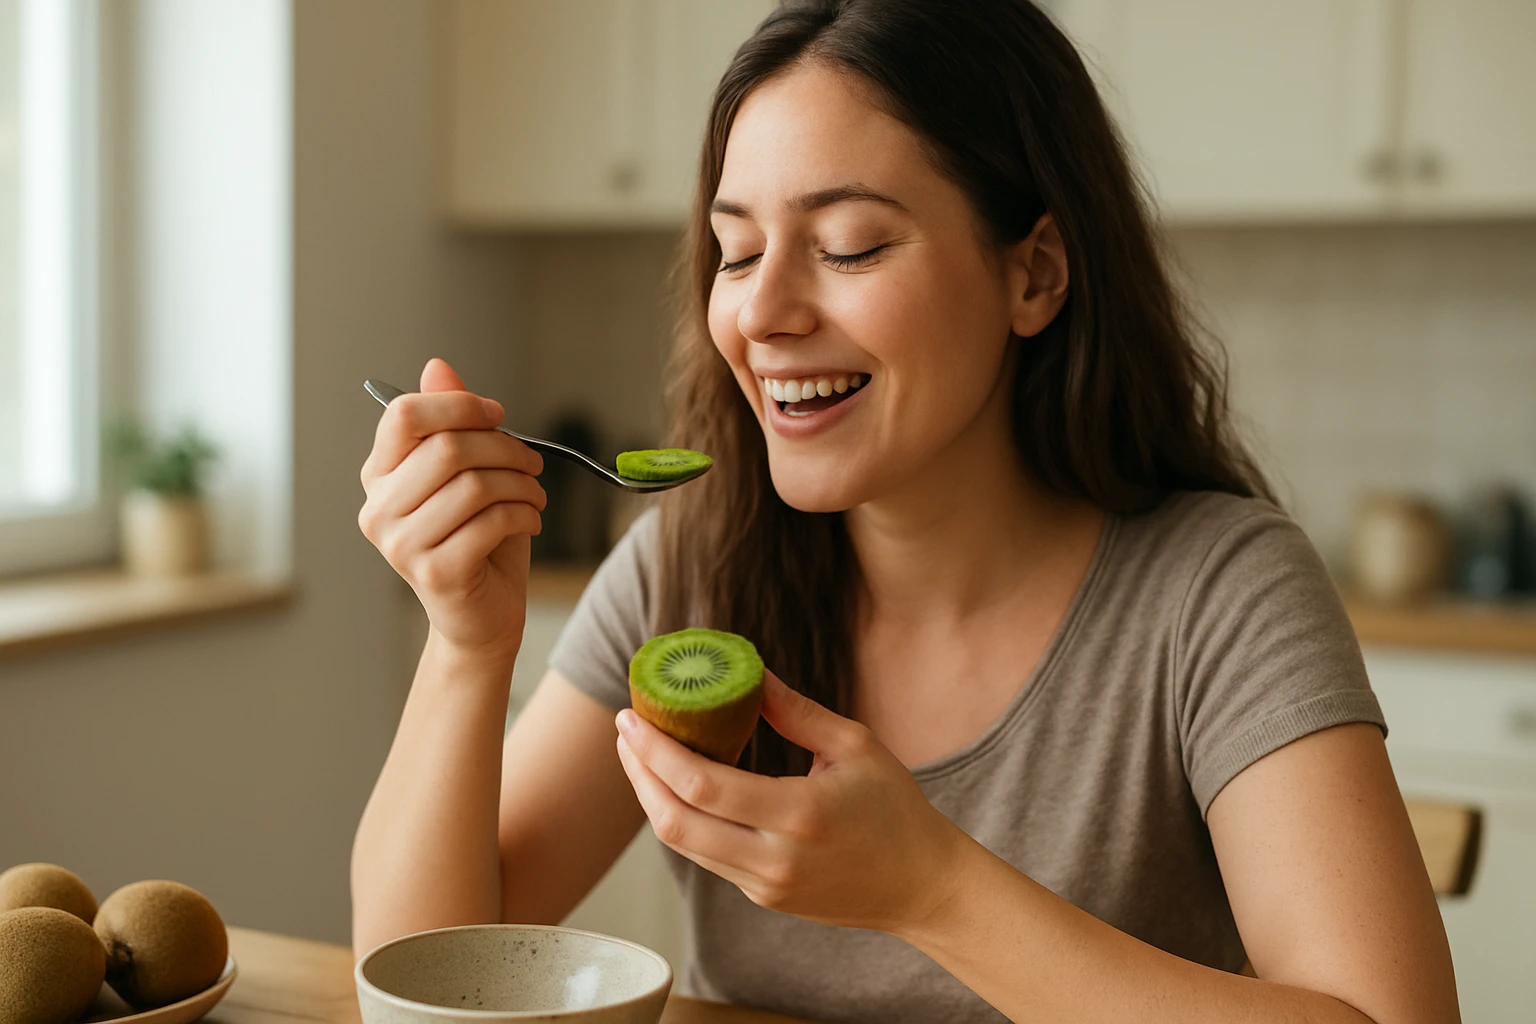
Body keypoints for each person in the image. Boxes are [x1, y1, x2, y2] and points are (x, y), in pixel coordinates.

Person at [351, 2, 1459, 1021]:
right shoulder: (688, 563)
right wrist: (465, 644)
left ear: (1036, 274)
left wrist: (934, 890)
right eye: (736, 251)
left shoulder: (1219, 592)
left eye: (849, 246)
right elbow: (425, 970)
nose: (764, 314)